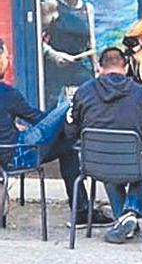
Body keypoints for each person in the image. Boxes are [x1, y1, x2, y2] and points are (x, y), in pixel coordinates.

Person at [0, 38, 108, 226]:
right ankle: (81, 211)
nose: (9, 59)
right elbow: (38, 119)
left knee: (67, 146)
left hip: (8, 152)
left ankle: (82, 211)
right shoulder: (6, 93)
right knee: (68, 104)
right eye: (6, 54)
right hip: (17, 154)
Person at [64, 48, 142, 244]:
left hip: (96, 163)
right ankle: (130, 213)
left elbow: (71, 132)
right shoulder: (141, 94)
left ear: (99, 67)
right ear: (125, 68)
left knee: (110, 159)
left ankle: (123, 218)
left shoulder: (84, 92)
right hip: (131, 161)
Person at [41, 0, 96, 111]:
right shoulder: (51, 5)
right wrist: (54, 55)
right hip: (55, 67)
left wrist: (96, 69)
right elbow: (35, 39)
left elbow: (91, 42)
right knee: (52, 110)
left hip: (78, 66)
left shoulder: (87, 8)